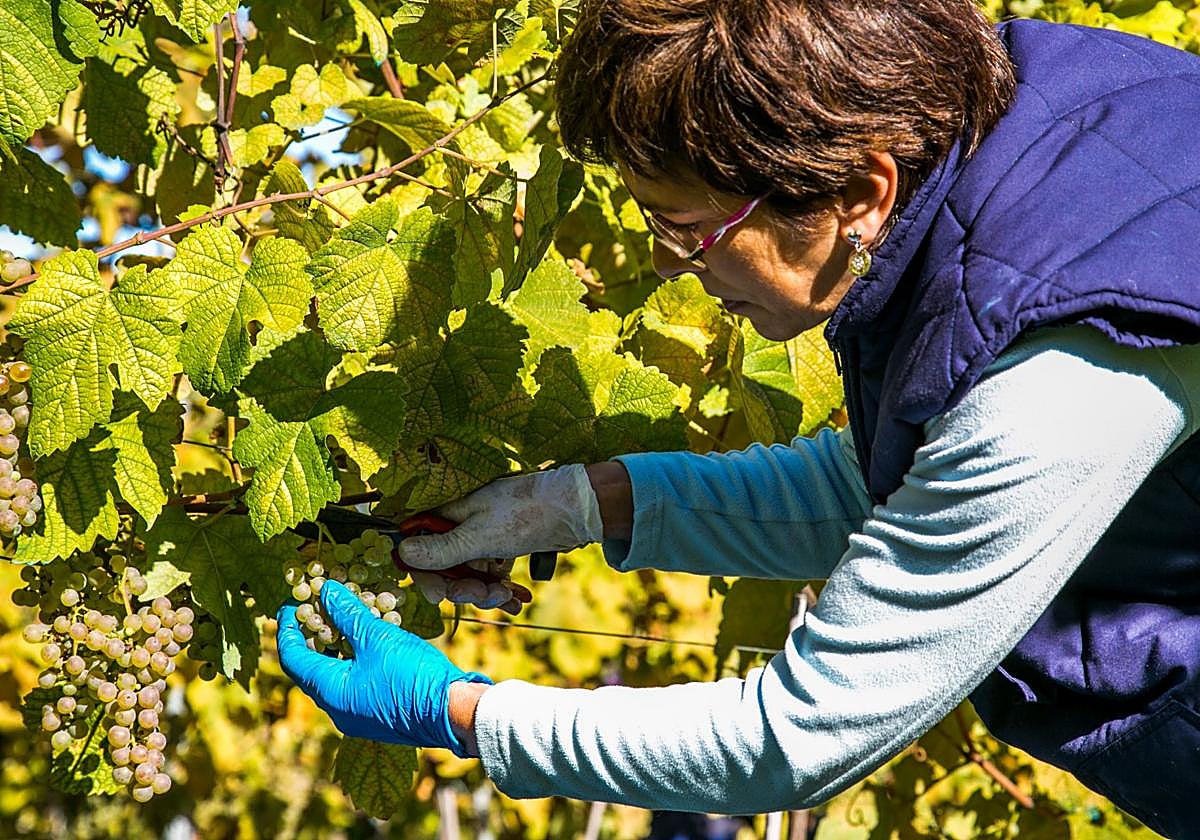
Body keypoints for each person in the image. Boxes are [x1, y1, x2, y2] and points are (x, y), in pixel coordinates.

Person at [275, 2, 1200, 836]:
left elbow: (799, 737)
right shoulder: (1006, 136)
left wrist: (463, 713)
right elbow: (891, 480)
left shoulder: (1064, 374)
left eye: (690, 233)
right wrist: (585, 503)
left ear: (860, 194)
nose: (675, 265)